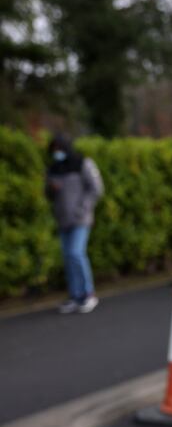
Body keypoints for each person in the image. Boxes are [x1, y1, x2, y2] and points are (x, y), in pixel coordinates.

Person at [45, 134, 104, 314]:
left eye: (59, 149)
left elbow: (96, 188)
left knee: (76, 253)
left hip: (80, 218)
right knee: (68, 257)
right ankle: (75, 295)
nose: (57, 153)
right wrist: (51, 189)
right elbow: (47, 193)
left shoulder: (82, 163)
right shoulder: (53, 169)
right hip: (63, 219)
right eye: (54, 150)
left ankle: (88, 293)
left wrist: (82, 208)